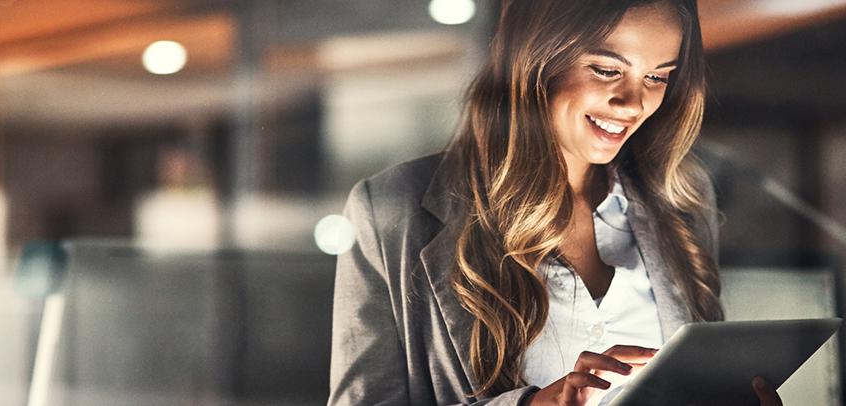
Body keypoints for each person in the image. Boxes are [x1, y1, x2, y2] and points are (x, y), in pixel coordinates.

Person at [329, 0, 783, 404]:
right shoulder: (393, 208)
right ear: (536, 58)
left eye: (658, 77)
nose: (633, 103)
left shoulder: (683, 200)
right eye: (606, 70)